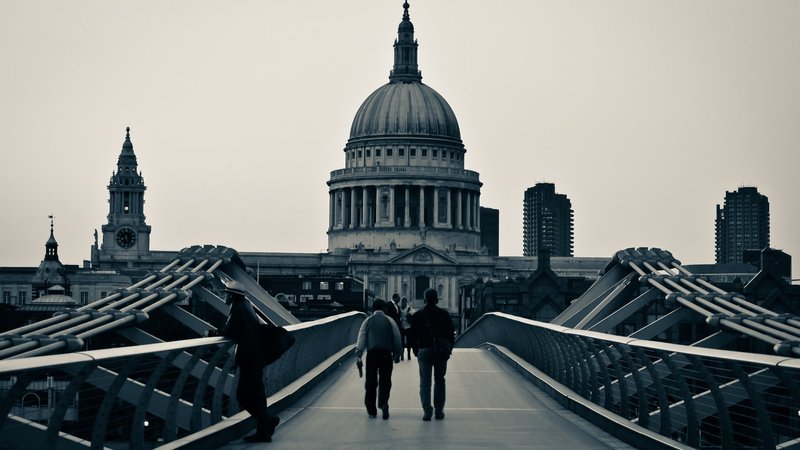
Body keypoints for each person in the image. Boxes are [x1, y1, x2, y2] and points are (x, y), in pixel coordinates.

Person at [221, 280, 280, 443]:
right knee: (257, 395)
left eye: (225, 293)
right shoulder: (246, 306)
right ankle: (264, 431)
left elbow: (231, 331)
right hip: (257, 357)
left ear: (232, 296)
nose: (223, 296)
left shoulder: (238, 308)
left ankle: (268, 421)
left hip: (250, 359)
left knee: (243, 396)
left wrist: (214, 333)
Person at [411, 288, 455, 421]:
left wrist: (415, 350)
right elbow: (451, 334)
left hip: (424, 351)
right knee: (440, 380)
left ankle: (427, 411)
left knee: (425, 382)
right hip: (440, 352)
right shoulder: (444, 314)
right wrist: (449, 349)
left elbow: (413, 335)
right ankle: (439, 410)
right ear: (437, 299)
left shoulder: (418, 315)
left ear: (424, 299)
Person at [355, 298, 402, 420]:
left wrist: (359, 354)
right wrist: (398, 353)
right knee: (385, 380)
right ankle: (383, 403)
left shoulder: (367, 321)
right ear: (384, 309)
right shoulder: (390, 320)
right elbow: (397, 337)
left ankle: (371, 410)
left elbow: (362, 338)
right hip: (387, 354)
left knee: (371, 381)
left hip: (372, 354)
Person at [386, 294, 403, 359]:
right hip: (390, 324)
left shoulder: (398, 306)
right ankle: (391, 353)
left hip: (397, 325)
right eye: (398, 298)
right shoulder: (388, 304)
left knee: (396, 339)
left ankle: (395, 353)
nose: (399, 300)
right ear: (395, 298)